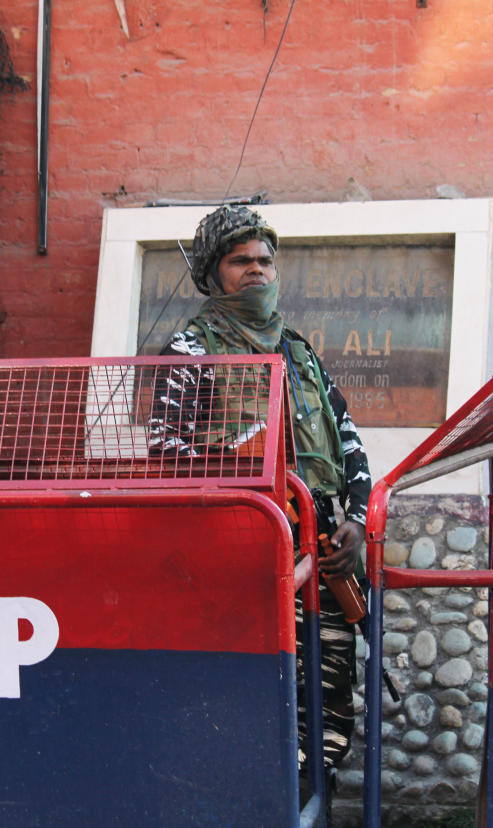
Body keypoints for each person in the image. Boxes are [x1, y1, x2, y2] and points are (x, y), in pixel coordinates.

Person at [148, 205, 371, 773]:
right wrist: (254, 481)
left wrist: (358, 524)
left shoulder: (299, 351)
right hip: (245, 562)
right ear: (211, 273)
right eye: (239, 260)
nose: (256, 270)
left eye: (265, 261)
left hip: (322, 556)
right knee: (262, 713)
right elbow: (166, 456)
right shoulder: (189, 354)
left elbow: (348, 442)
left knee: (329, 715)